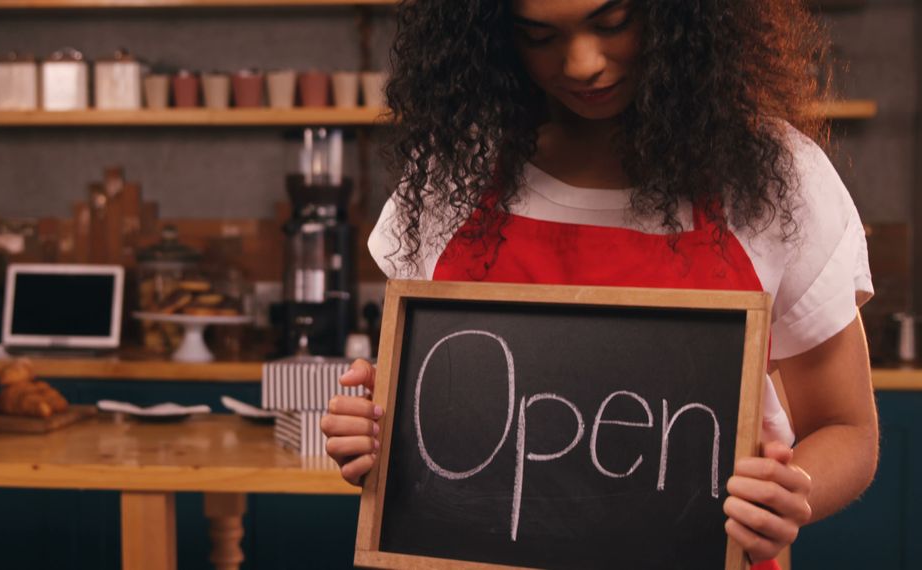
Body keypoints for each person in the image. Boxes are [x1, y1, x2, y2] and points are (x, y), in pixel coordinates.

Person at [320, 0, 879, 568]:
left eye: (613, 24)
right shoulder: (452, 179)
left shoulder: (770, 178)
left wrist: (792, 493)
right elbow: (428, 445)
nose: (582, 63)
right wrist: (370, 440)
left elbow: (846, 427)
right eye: (538, 37)